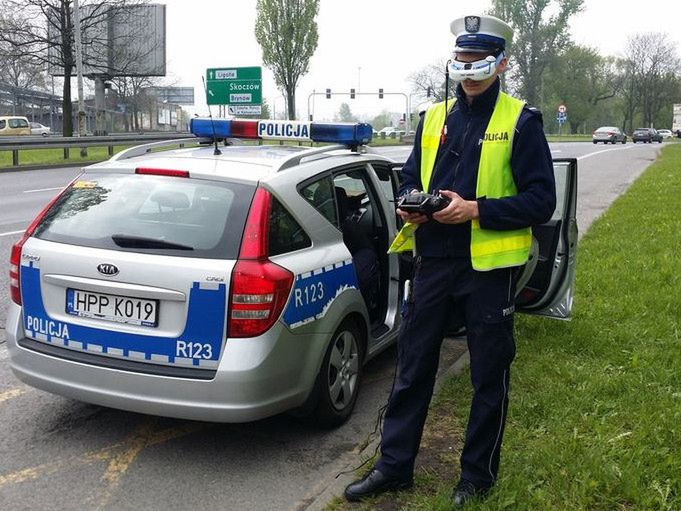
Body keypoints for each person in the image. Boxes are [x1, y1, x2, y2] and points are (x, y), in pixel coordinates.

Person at [344, 14, 556, 508]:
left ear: (501, 64)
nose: (467, 70)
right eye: (461, 60)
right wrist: (409, 203)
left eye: (477, 61)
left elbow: (540, 202)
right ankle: (395, 468)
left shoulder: (521, 121)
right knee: (412, 367)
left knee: (488, 374)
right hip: (434, 261)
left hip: (487, 269)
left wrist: (476, 209)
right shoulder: (433, 117)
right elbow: (409, 177)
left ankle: (475, 480)